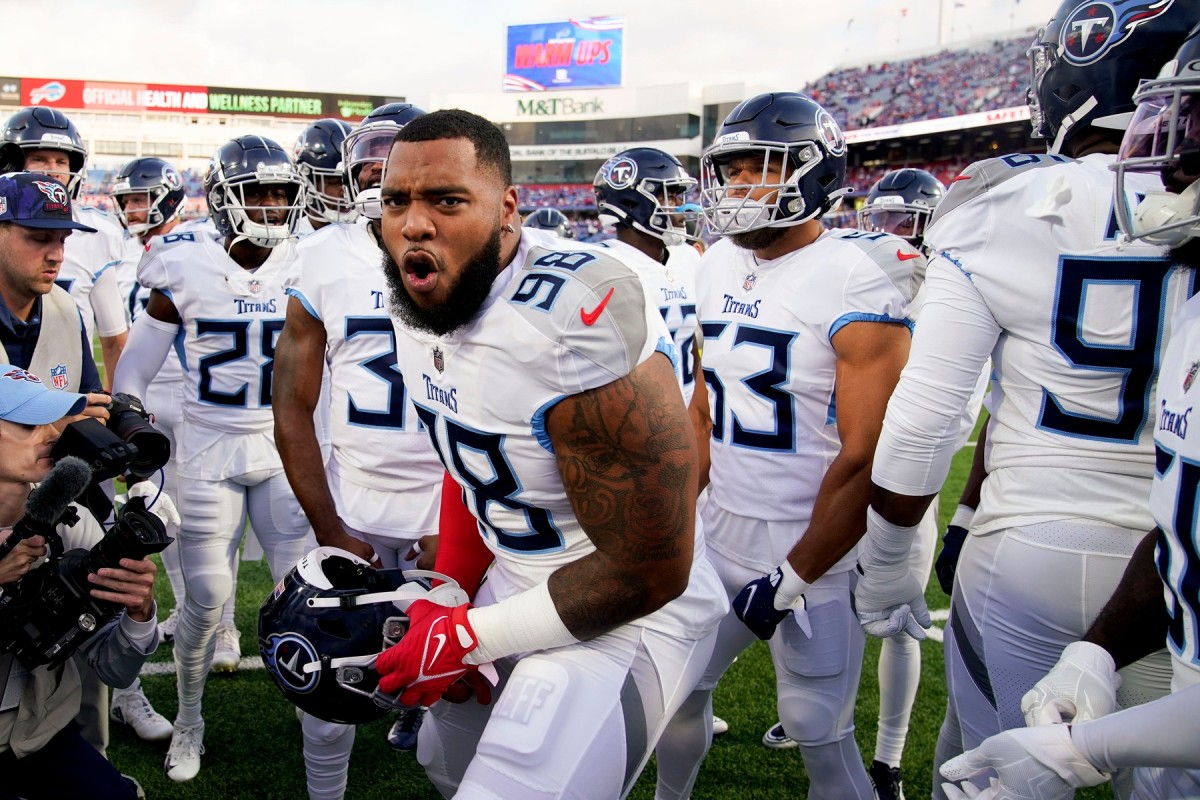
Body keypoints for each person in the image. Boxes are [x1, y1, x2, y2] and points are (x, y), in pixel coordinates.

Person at [850, 2, 1198, 797]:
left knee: (992, 773)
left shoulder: (1006, 200)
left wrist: (894, 560)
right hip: (1177, 556)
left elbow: (928, 418)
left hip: (1028, 545)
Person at [374, 108, 727, 799]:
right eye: (396, 202)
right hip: (512, 577)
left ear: (507, 208)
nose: (415, 224)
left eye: (447, 201)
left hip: (630, 609)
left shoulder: (571, 320)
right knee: (443, 762)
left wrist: (469, 636)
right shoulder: (419, 296)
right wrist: (450, 594)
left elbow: (653, 567)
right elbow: (470, 461)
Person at [653, 92, 920, 800]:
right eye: (731, 171)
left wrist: (795, 576)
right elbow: (703, 409)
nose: (737, 187)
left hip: (813, 545)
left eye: (759, 169)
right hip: (719, 530)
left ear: (812, 171)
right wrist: (675, 518)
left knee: (816, 727)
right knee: (674, 691)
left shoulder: (856, 277)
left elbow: (867, 456)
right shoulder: (714, 263)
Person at [111, 135, 311, 782]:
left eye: (282, 192)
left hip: (283, 449)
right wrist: (134, 435)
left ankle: (314, 717)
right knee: (206, 596)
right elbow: (132, 374)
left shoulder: (310, 260)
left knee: (302, 593)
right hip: (207, 450)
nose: (274, 204)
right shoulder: (181, 264)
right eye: (259, 192)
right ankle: (189, 720)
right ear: (225, 199)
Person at [273, 103, 446, 800]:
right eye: (374, 165)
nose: (384, 178)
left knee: (464, 684)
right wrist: (329, 526)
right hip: (357, 500)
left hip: (447, 502)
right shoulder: (325, 256)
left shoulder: (468, 249)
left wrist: (462, 520)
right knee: (326, 679)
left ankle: (421, 721)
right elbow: (291, 404)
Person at [0, 366, 159, 800]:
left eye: (51, 420)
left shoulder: (71, 521)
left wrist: (138, 616)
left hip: (36, 734)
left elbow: (113, 669)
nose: (52, 434)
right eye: (29, 424)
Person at [1, 108, 129, 385]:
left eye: (61, 161)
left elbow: (114, 339)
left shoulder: (98, 233)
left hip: (64, 376)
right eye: (39, 159)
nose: (53, 170)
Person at [293, 118, 357, 235]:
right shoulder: (289, 238)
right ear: (307, 182)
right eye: (334, 181)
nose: (346, 192)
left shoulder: (371, 233)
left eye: (352, 181)